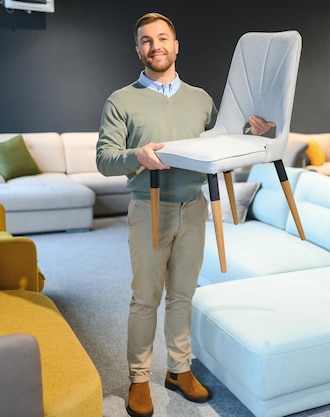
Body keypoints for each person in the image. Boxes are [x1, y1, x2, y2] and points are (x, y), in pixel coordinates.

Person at [96, 12, 274, 417]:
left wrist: (249, 133)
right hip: (149, 208)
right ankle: (139, 378)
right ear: (138, 49)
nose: (155, 45)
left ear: (176, 46)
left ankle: (178, 369)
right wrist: (135, 155)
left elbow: (219, 145)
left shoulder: (201, 100)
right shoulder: (120, 101)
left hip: (194, 207)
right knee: (145, 299)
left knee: (183, 295)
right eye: (146, 40)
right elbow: (105, 160)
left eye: (163, 38)